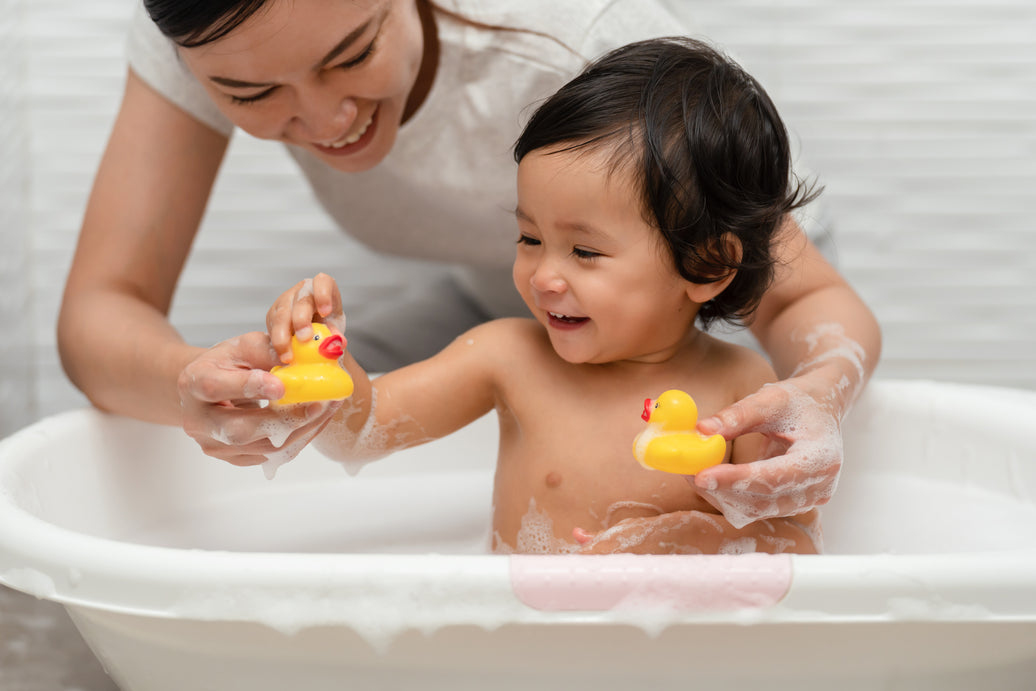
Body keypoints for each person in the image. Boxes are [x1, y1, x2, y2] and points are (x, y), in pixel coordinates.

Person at [57, 0, 880, 530]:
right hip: (503, 310)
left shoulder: (578, 47)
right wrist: (227, 390)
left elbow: (804, 300)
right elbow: (103, 311)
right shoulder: (202, 27)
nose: (326, 116)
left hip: (736, 295)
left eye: (351, 54)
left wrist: (818, 391)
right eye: (251, 93)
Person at [264, 37, 824, 554]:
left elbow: (795, 543)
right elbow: (362, 431)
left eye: (585, 251)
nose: (544, 277)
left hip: (664, 630)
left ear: (706, 263)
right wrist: (320, 359)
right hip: (517, 625)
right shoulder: (507, 357)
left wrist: (691, 537)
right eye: (530, 239)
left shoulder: (741, 393)